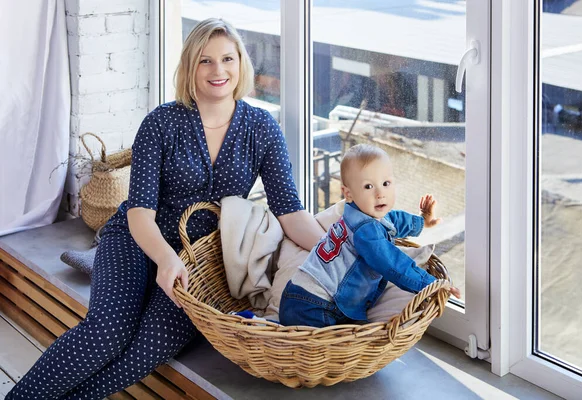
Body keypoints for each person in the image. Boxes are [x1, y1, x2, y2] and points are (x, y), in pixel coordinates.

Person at [7, 18, 324, 399]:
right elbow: (140, 211)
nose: (218, 70)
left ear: (241, 63)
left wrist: (340, 253)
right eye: (205, 60)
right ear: (190, 66)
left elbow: (290, 211)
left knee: (150, 347)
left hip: (200, 262)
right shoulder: (161, 123)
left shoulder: (261, 128)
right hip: (136, 239)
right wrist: (164, 259)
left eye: (227, 58)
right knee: (107, 331)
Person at [279, 144, 461, 328]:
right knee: (343, 346)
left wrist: (422, 221)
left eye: (386, 184)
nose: (380, 193)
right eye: (368, 186)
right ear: (348, 194)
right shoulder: (365, 232)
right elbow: (393, 264)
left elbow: (393, 220)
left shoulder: (361, 214)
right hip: (314, 305)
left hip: (299, 296)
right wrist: (431, 284)